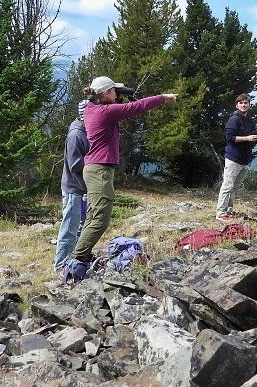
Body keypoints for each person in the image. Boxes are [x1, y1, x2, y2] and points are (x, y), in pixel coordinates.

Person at [61, 76, 177, 281]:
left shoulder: (91, 108)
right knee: (100, 219)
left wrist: (118, 93)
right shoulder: (105, 112)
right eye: (114, 91)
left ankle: (82, 256)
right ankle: (77, 260)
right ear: (105, 94)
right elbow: (138, 107)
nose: (116, 94)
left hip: (96, 169)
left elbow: (102, 101)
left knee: (93, 216)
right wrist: (163, 98)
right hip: (100, 171)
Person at [54, 100, 90, 272]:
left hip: (81, 189)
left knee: (80, 227)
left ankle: (73, 263)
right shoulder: (76, 134)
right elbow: (75, 164)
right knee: (69, 228)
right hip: (73, 189)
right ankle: (61, 265)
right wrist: (95, 161)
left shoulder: (85, 130)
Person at [216, 93, 257, 222]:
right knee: (227, 186)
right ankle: (220, 213)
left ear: (249, 105)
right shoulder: (234, 119)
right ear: (237, 105)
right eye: (241, 103)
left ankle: (229, 210)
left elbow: (251, 138)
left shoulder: (249, 120)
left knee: (234, 187)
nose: (243, 105)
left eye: (245, 103)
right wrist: (246, 138)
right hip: (234, 158)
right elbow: (229, 138)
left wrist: (256, 138)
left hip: (245, 158)